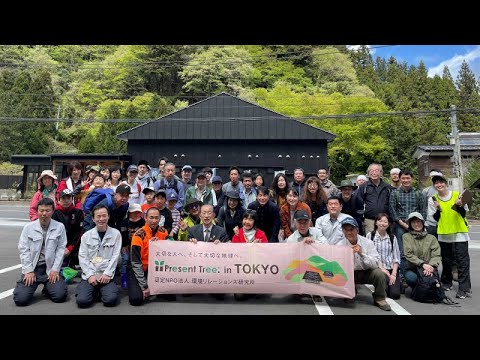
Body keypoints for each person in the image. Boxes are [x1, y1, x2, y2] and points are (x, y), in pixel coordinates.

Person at [14, 198, 67, 306]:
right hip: (34, 268)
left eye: (47, 210)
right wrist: (28, 270)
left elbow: (61, 250)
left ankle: (48, 288)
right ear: (37, 211)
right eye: (41, 210)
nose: (44, 214)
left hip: (50, 268)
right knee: (21, 300)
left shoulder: (59, 227)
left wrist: (55, 270)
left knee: (60, 296)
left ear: (52, 211)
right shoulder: (28, 228)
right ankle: (26, 286)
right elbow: (23, 250)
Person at [430, 175, 471, 299]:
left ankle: (464, 288)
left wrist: (459, 205)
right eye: (436, 183)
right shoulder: (433, 198)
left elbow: (464, 213)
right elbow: (435, 218)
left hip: (460, 233)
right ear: (434, 186)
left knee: (462, 261)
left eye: (441, 182)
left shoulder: (457, 195)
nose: (439, 185)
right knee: (446, 260)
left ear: (445, 183)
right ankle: (447, 282)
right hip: (444, 233)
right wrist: (437, 209)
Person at [337, 217, 391, 311]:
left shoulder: (368, 243)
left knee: (379, 273)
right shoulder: (339, 245)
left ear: (357, 230)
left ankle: (380, 298)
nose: (349, 232)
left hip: (367, 272)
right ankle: (350, 291)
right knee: (339, 274)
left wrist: (361, 253)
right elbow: (337, 266)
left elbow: (375, 263)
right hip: (350, 274)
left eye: (352, 229)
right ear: (342, 231)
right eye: (346, 230)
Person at [76, 204, 122, 308]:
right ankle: (91, 290)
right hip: (90, 275)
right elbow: (82, 258)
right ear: (93, 218)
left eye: (104, 216)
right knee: (82, 301)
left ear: (108, 216)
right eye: (98, 216)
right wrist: (89, 275)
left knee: (110, 301)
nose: (101, 219)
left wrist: (107, 274)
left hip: (106, 275)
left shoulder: (116, 234)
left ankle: (102, 290)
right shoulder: (86, 236)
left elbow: (115, 257)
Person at [128, 207, 168, 306]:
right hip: (140, 269)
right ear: (145, 218)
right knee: (136, 299)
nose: (154, 221)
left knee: (170, 295)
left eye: (156, 218)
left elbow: (170, 252)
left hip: (157, 269)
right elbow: (136, 263)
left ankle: (154, 289)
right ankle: (145, 287)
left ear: (160, 219)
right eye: (151, 217)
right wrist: (144, 286)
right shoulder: (138, 235)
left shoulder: (164, 232)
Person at [231, 209, 267, 301]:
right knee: (239, 296)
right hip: (242, 269)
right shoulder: (237, 233)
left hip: (257, 268)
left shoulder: (261, 234)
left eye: (250, 220)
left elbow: (266, 253)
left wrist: (259, 247)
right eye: (245, 219)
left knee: (261, 293)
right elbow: (234, 254)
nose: (247, 222)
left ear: (255, 222)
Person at [402, 212, 442, 293]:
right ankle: (419, 289)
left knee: (428, 279)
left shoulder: (432, 238)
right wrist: (423, 264)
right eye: (413, 222)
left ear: (423, 223)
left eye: (418, 222)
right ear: (410, 224)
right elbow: (408, 254)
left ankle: (426, 288)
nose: (416, 224)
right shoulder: (406, 237)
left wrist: (430, 266)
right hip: (413, 268)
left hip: (429, 269)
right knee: (411, 278)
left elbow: (436, 255)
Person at [365, 213, 401, 299]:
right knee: (383, 290)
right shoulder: (370, 236)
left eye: (385, 222)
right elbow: (369, 255)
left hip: (390, 269)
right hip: (377, 268)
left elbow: (396, 257)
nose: (382, 223)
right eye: (380, 221)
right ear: (376, 223)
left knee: (395, 294)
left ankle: (392, 284)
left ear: (389, 224)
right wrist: (383, 269)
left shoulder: (392, 237)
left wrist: (394, 274)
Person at [52, 189, 84, 270]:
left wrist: (70, 247)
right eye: (63, 198)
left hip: (74, 245)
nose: (66, 201)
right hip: (58, 245)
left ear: (72, 199)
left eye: (68, 198)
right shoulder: (54, 213)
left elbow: (79, 232)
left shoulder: (78, 213)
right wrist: (61, 248)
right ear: (59, 200)